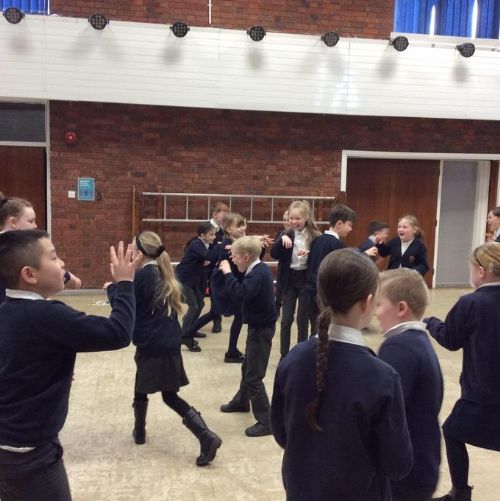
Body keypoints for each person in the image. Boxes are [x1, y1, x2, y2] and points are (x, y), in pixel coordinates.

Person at [0, 230, 141, 501]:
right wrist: (124, 283)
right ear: (29, 274)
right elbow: (118, 333)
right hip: (29, 454)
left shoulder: (6, 310)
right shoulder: (48, 315)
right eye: (54, 257)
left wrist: (45, 372)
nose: (63, 263)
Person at [270, 248, 413, 501]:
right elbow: (397, 464)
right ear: (368, 302)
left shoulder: (291, 361)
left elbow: (282, 433)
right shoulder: (382, 377)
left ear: (320, 297)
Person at [106, 231, 222, 467]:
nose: (130, 249)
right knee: (143, 385)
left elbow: (124, 302)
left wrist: (112, 288)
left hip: (154, 343)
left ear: (141, 252)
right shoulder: (159, 270)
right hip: (165, 340)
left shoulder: (144, 275)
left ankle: (206, 436)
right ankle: (139, 432)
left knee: (169, 396)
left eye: (133, 246)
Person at [425, 242, 500, 501]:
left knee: (452, 430)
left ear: (481, 271)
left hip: (481, 393)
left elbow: (451, 339)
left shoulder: (471, 303)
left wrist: (431, 323)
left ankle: (460, 492)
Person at [376, 268, 443, 501]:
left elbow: (384, 410)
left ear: (401, 308)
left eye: (379, 305)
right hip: (423, 462)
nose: (375, 313)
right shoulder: (418, 341)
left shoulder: (398, 348)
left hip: (405, 472)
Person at [219, 236, 277, 436]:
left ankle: (267, 421)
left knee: (254, 376)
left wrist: (228, 273)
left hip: (262, 329)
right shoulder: (257, 269)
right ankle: (242, 401)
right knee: (248, 367)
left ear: (245, 257)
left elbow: (240, 293)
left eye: (235, 256)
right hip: (258, 326)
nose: (232, 260)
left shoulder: (258, 274)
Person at [0, 193, 81, 304]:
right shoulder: (9, 250)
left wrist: (67, 275)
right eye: (31, 221)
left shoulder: (19, 246)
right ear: (13, 222)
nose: (35, 226)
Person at [271, 200, 320, 358]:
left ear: (306, 217)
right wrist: (281, 241)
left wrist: (309, 253)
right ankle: (284, 355)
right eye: (291, 218)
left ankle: (300, 355)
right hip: (289, 279)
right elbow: (274, 254)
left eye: (298, 218)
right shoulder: (285, 234)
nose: (294, 222)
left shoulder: (315, 236)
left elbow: (319, 257)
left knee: (302, 320)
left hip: (305, 278)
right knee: (286, 320)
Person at [304, 204, 360, 333]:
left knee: (315, 328)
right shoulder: (337, 244)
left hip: (310, 291)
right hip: (325, 294)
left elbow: (309, 264)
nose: (350, 229)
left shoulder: (317, 240)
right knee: (325, 329)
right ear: (339, 223)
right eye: (349, 225)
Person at [175, 222, 216, 352]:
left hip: (192, 280)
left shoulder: (204, 245)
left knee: (200, 303)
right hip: (183, 279)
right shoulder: (196, 245)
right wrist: (225, 246)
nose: (214, 237)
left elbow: (208, 260)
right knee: (193, 306)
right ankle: (184, 335)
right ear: (202, 235)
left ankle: (191, 329)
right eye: (211, 234)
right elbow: (209, 256)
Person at [208, 202, 230, 333]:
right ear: (215, 214)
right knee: (198, 300)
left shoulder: (223, 230)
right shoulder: (206, 227)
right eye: (224, 214)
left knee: (215, 294)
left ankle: (217, 320)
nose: (226, 217)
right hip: (204, 267)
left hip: (217, 266)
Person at [274, 209, 290, 316]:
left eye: (288, 220)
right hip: (282, 267)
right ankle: (276, 311)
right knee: (279, 292)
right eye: (284, 220)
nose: (286, 222)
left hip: (293, 269)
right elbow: (275, 253)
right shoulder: (280, 234)